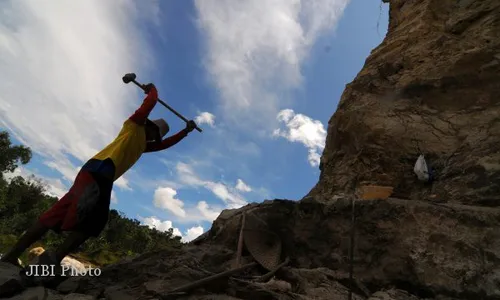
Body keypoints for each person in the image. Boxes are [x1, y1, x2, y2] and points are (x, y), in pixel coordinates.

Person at [0, 83, 197, 268]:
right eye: (154, 132)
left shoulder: (142, 145)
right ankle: (52, 262)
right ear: (149, 126)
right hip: (101, 172)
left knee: (59, 212)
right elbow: (151, 103)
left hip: (92, 172)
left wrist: (185, 132)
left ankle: (12, 255)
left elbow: (165, 145)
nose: (154, 136)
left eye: (156, 135)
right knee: (94, 223)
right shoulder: (133, 126)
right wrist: (151, 89)